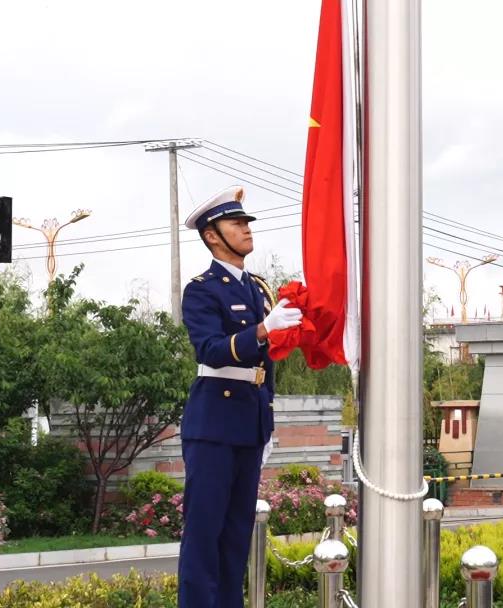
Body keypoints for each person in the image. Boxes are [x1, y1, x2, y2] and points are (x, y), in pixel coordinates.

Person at [177, 185, 303, 607]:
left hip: (249, 423)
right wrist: (264, 329)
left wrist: (267, 422)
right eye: (237, 224)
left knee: (235, 539)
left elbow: (266, 366)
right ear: (212, 235)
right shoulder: (202, 290)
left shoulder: (258, 288)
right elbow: (210, 350)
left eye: (247, 223)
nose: (247, 230)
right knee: (204, 536)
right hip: (213, 425)